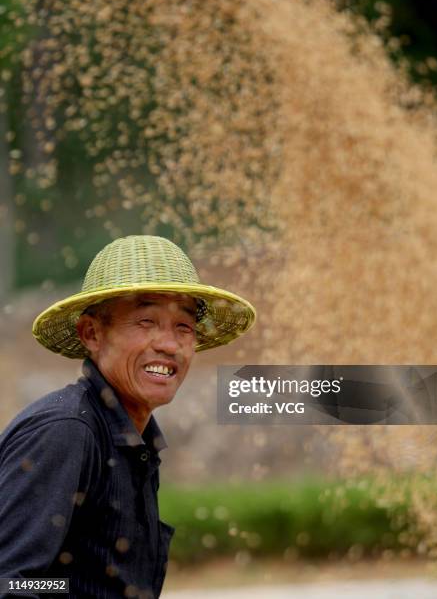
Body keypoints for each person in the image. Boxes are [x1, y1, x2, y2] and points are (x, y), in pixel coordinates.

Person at [0, 235, 255, 599]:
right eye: (146, 321)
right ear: (91, 333)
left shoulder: (137, 440)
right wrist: (66, 591)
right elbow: (11, 583)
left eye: (183, 327)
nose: (168, 344)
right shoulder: (68, 431)